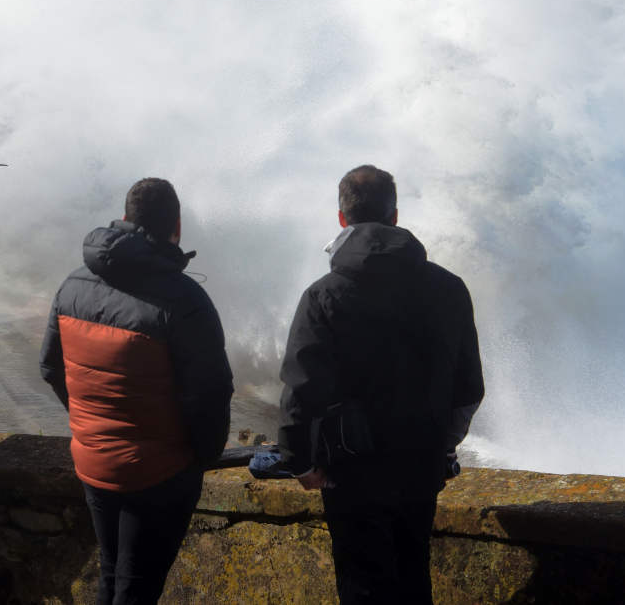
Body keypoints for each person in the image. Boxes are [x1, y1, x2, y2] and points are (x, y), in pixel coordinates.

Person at [278, 165, 484, 605]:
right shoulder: (449, 288)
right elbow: (469, 388)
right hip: (420, 466)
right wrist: (440, 447)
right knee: (413, 579)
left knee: (362, 586)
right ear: (395, 216)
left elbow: (301, 388)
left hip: (351, 473)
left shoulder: (324, 295)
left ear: (341, 218)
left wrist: (299, 461)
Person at [40, 177, 234, 605]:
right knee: (137, 586)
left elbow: (50, 367)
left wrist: (92, 427)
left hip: (93, 461)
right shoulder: (185, 300)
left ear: (125, 219)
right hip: (158, 473)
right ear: (176, 227)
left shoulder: (73, 284)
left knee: (111, 573)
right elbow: (211, 395)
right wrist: (199, 458)